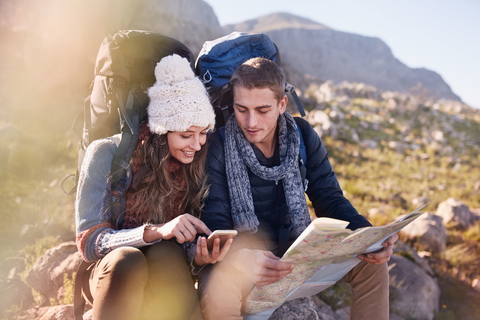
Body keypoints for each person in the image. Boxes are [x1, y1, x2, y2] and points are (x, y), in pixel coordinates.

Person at [197, 57, 398, 320]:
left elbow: (329, 197)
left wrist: (368, 234)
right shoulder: (218, 146)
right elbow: (215, 219)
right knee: (218, 289)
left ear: (282, 104)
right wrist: (243, 257)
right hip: (243, 260)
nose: (251, 121)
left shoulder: (302, 135)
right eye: (241, 108)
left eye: (262, 109)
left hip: (294, 255)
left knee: (372, 266)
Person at [75, 54, 231, 320]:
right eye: (186, 135)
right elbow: (89, 243)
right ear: (162, 130)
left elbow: (183, 244)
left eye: (203, 133)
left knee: (169, 253)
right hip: (112, 270)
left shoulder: (194, 165)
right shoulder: (108, 154)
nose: (197, 144)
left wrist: (199, 256)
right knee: (129, 259)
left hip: (162, 267)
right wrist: (155, 232)